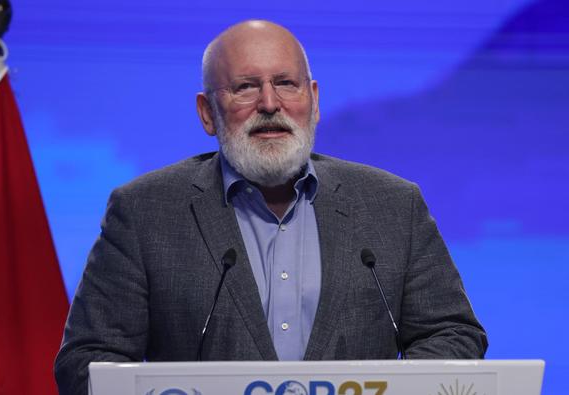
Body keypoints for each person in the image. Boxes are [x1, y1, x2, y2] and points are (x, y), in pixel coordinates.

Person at [54, 20, 487, 395]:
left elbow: (452, 333)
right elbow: (87, 362)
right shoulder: (144, 212)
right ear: (207, 113)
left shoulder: (393, 205)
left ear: (313, 101)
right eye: (245, 87)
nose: (269, 103)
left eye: (286, 83)